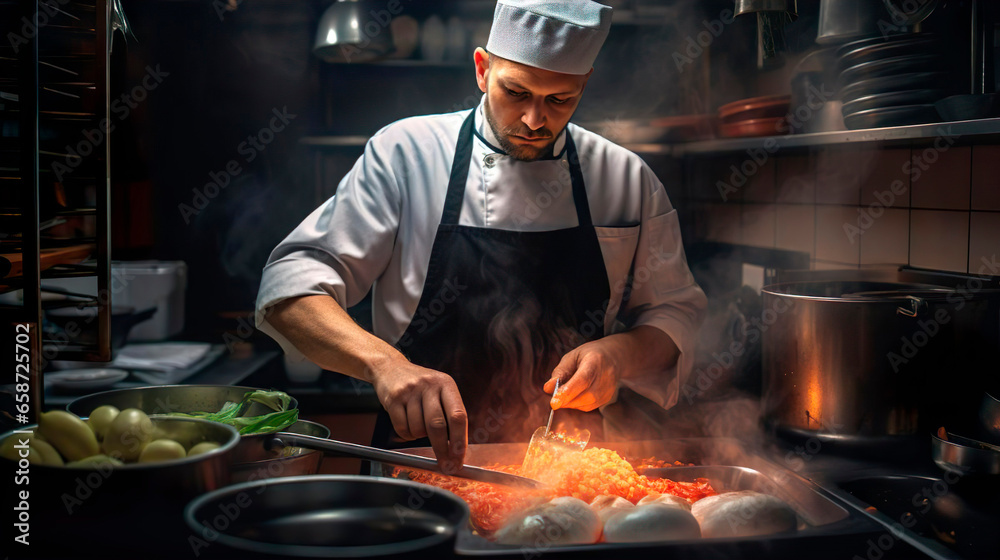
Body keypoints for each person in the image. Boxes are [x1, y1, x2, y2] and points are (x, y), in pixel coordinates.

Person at [255, 0, 706, 473]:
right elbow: (290, 285)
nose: (535, 120)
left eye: (560, 100)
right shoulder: (406, 155)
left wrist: (621, 353)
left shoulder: (624, 177)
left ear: (585, 84)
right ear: (482, 68)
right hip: (422, 458)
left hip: (573, 470)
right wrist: (385, 365)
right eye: (516, 92)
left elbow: (675, 312)